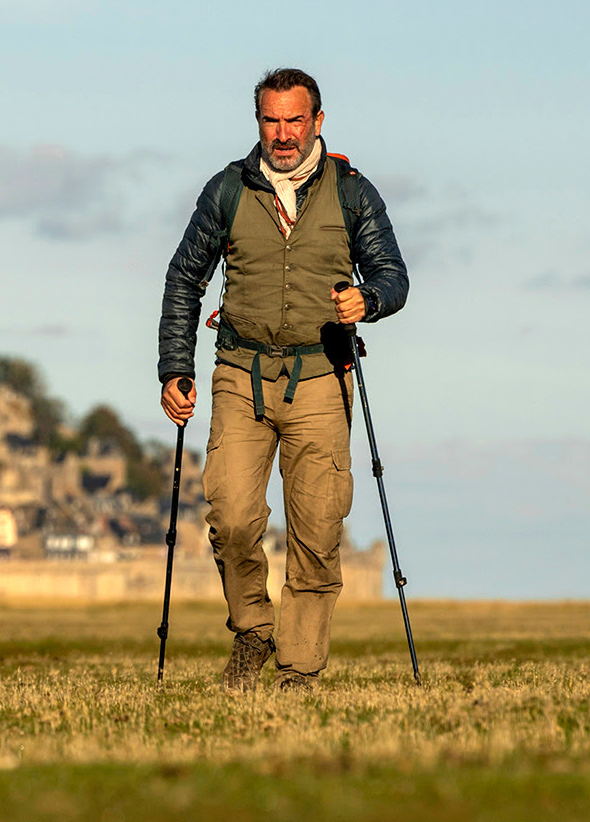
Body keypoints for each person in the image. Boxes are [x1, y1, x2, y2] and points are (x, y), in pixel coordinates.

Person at [157, 68, 408, 691]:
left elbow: (392, 274)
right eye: (272, 121)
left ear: (317, 122)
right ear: (258, 123)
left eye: (295, 120)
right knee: (231, 516)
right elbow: (184, 278)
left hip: (323, 375)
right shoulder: (227, 189)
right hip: (240, 372)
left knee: (318, 529)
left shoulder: (353, 192)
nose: (284, 134)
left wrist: (369, 299)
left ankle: (299, 669)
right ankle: (252, 630)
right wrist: (176, 368)